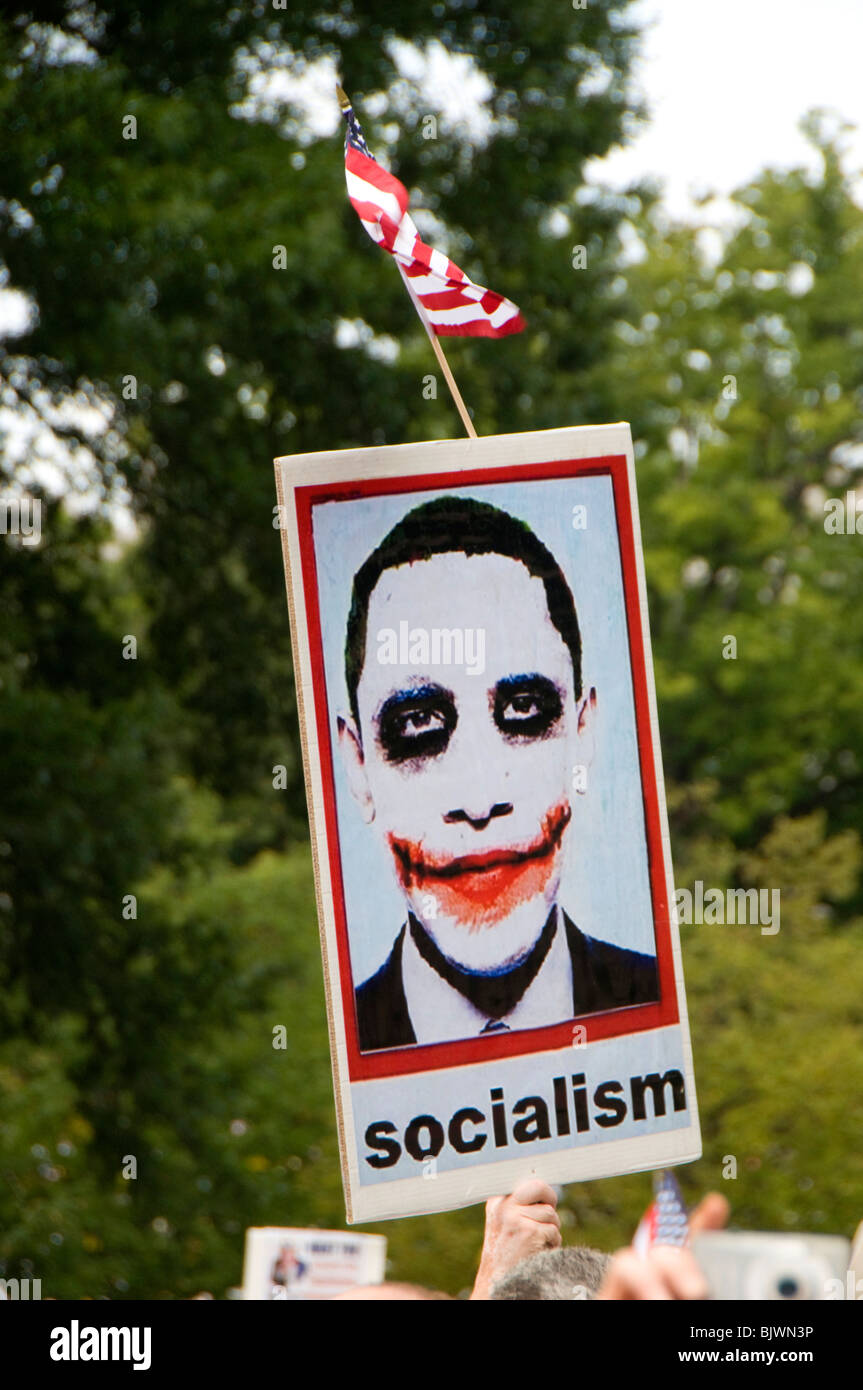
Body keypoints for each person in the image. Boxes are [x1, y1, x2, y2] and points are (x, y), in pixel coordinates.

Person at [337, 495, 659, 1051]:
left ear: (582, 736)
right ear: (358, 765)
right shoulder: (336, 1052)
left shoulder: (656, 1007)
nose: (480, 799)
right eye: (417, 724)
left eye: (525, 711)